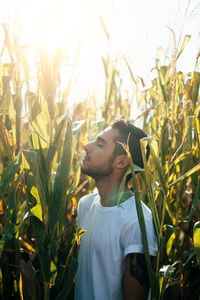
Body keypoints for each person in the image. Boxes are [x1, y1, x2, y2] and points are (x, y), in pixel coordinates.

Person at [75, 118, 158, 300]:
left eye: (99, 144)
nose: (87, 147)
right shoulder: (86, 205)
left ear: (121, 162)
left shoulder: (138, 221)